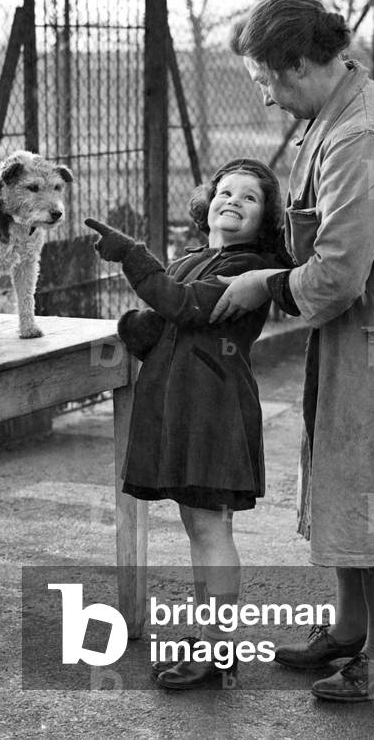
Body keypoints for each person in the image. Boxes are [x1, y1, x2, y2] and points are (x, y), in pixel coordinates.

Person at [211, 0, 374, 701]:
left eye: (266, 78)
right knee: (347, 472)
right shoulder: (330, 112)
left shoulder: (358, 136)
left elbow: (335, 274)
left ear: (299, 64)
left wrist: (264, 285)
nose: (263, 95)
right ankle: (350, 628)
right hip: (368, 318)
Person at [85, 157, 286, 689]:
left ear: (266, 218)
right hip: (182, 407)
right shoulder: (194, 258)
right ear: (208, 200)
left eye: (250, 197)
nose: (233, 202)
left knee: (211, 526)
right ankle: (211, 639)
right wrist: (136, 327)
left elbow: (185, 307)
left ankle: (219, 648)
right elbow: (163, 322)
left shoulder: (250, 269)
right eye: (226, 191)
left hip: (214, 408)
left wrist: (131, 255)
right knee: (200, 526)